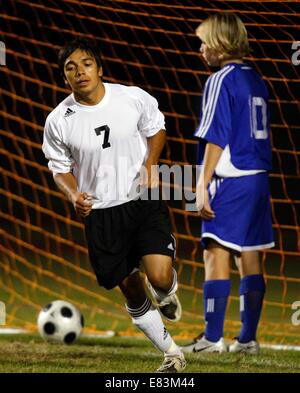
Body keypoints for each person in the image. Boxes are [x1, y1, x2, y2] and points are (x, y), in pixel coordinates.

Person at [42, 38, 186, 373]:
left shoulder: (131, 97)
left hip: (142, 201)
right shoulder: (59, 120)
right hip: (101, 214)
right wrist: (74, 195)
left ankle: (167, 292)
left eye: (86, 64)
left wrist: (151, 163)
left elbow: (157, 128)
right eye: (71, 68)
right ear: (65, 77)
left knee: (159, 277)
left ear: (100, 68)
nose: (80, 72)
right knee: (133, 291)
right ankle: (172, 354)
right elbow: (59, 168)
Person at [181, 13, 274, 355]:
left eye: (205, 42)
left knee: (215, 250)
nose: (201, 49)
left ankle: (211, 338)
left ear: (220, 44)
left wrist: (201, 185)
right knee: (249, 256)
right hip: (257, 177)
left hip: (230, 177)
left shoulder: (221, 79)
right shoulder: (257, 78)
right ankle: (248, 339)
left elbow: (216, 137)